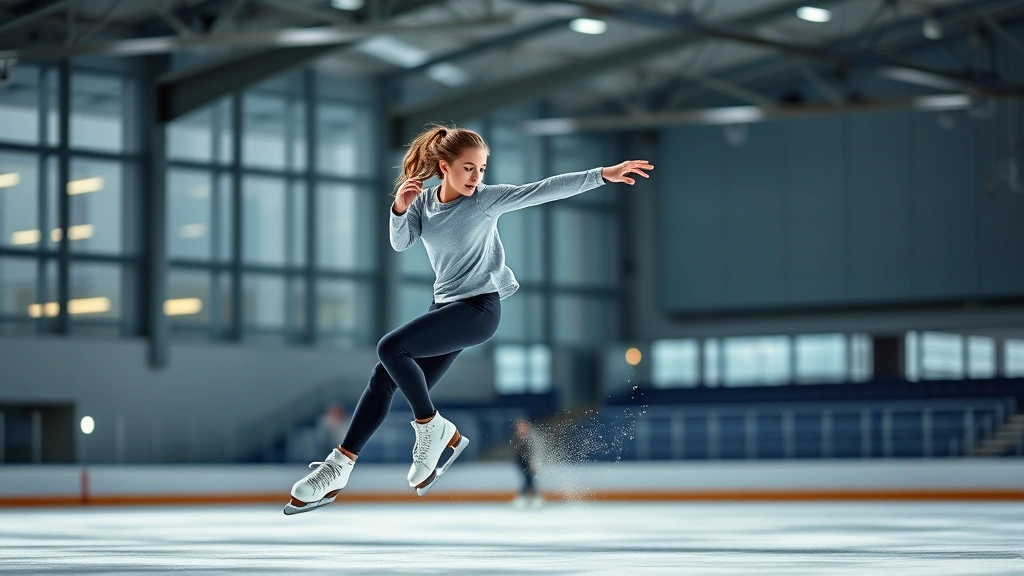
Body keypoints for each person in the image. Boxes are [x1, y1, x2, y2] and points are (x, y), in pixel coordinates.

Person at [284, 124, 653, 515]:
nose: (477, 178)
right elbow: (400, 241)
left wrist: (601, 175)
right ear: (444, 166)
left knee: (391, 348)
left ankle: (431, 427)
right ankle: (339, 466)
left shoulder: (484, 201)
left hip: (478, 309)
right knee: (384, 376)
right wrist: (399, 208)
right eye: (468, 168)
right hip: (445, 309)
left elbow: (543, 188)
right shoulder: (424, 203)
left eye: (481, 169)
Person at [511, 417, 543, 508]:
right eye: (519, 427)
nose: (521, 428)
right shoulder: (516, 437)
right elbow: (515, 452)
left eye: (522, 426)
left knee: (529, 479)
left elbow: (536, 449)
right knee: (528, 479)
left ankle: (526, 497)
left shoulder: (531, 437)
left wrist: (535, 461)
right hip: (521, 462)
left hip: (530, 461)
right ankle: (532, 497)